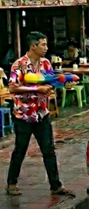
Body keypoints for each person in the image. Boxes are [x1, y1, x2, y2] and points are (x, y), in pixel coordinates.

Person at [5, 32, 73, 196]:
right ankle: (11, 183)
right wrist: (37, 88)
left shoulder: (46, 63)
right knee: (20, 150)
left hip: (42, 113)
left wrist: (62, 83)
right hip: (24, 115)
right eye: (43, 44)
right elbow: (13, 88)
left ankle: (56, 185)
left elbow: (50, 81)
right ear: (33, 46)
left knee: (49, 150)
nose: (46, 48)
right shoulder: (19, 65)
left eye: (46, 44)